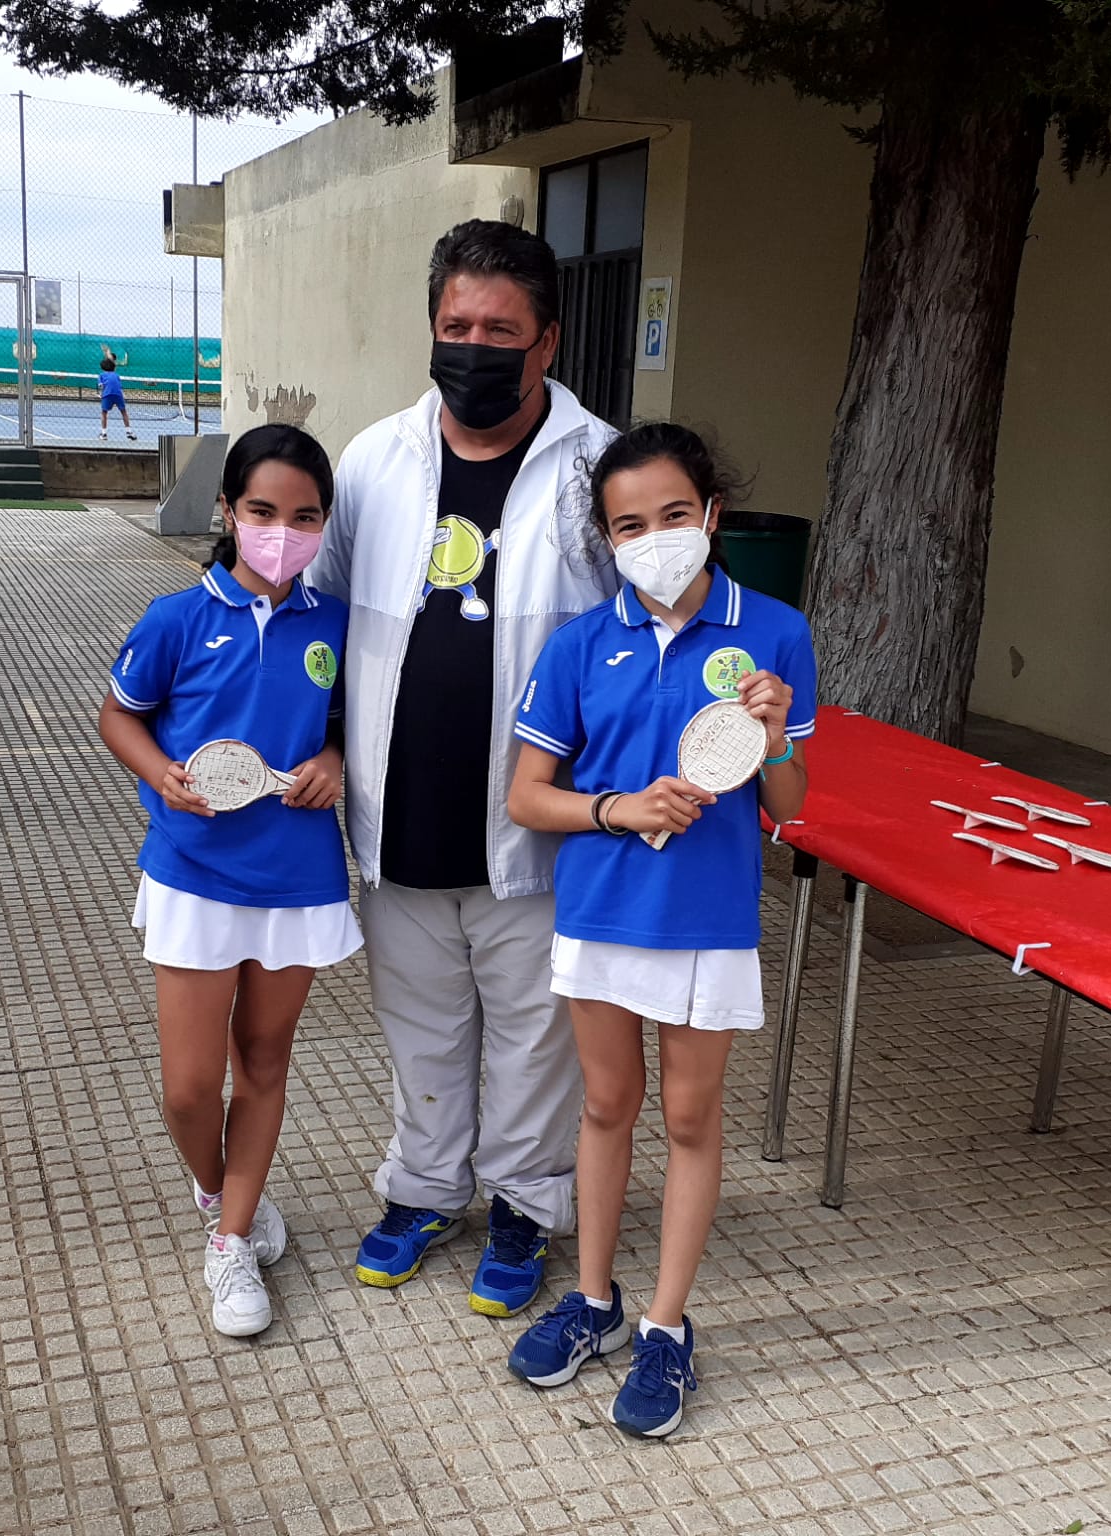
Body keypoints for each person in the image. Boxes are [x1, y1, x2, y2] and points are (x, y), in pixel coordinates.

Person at [310, 219, 620, 1318]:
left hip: (537, 824)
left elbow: (641, 636)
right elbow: (324, 615)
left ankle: (527, 1206)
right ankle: (426, 1188)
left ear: (547, 342)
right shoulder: (373, 458)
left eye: (499, 329)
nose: (473, 347)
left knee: (536, 1036)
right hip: (398, 812)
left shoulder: (599, 468)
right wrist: (317, 747)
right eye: (456, 325)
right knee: (421, 1025)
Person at [499, 423, 817, 1437]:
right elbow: (526, 797)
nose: (653, 538)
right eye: (628, 525)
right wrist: (618, 808)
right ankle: (591, 1301)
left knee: (688, 1120)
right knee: (605, 1105)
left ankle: (665, 1326)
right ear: (607, 539)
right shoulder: (579, 644)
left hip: (708, 919)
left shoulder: (773, 633)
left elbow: (790, 807)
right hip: (600, 911)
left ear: (711, 514)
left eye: (674, 514)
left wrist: (774, 737)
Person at [98, 424, 359, 1337]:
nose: (282, 533)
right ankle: (218, 1191)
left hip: (298, 876)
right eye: (262, 511)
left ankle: (232, 1238)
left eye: (304, 517)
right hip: (194, 873)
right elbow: (119, 715)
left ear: (324, 524)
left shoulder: (336, 624)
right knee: (187, 1087)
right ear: (227, 510)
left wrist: (332, 757)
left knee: (264, 1062)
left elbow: (349, 724)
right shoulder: (175, 619)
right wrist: (160, 773)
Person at [99, 345, 136, 440]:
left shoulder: (102, 375)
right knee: (124, 412)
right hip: (118, 394)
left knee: (104, 412)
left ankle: (104, 434)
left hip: (107, 394)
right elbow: (119, 386)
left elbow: (101, 386)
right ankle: (129, 431)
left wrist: (100, 394)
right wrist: (107, 352)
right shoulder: (116, 375)